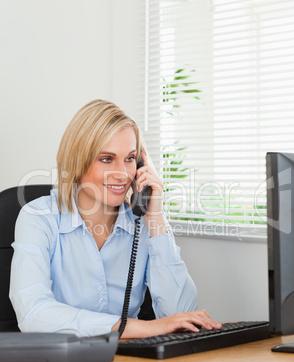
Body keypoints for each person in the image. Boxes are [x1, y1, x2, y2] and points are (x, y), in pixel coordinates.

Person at [9, 99, 221, 338]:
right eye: (107, 159)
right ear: (77, 162)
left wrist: (155, 217)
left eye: (130, 158)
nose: (122, 174)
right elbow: (33, 313)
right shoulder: (39, 218)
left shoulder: (141, 224)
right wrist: (137, 328)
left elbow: (181, 316)